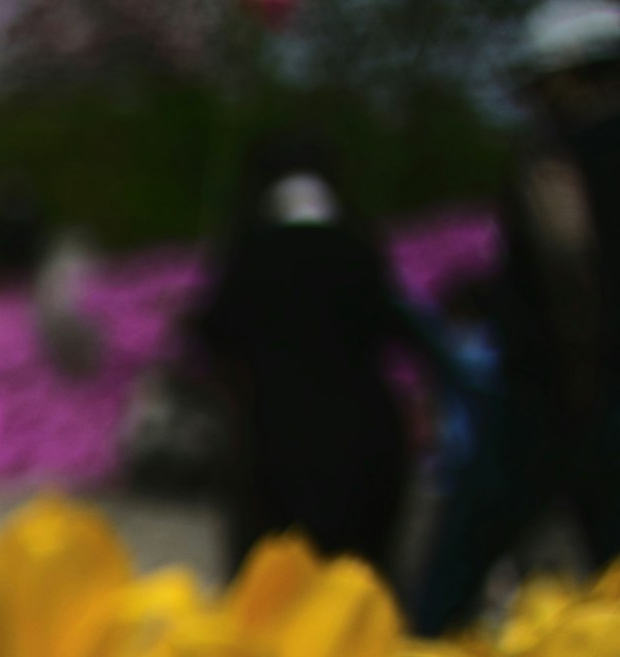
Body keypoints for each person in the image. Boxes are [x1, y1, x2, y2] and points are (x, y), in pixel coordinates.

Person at [410, 0, 620, 630]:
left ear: (569, 72)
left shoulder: (555, 160)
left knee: (457, 569)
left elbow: (556, 275)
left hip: (551, 395)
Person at [187, 131, 440, 572]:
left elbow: (212, 332)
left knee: (277, 587)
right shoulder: (357, 246)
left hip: (276, 437)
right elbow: (403, 329)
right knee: (356, 580)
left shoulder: (251, 250)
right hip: (366, 433)